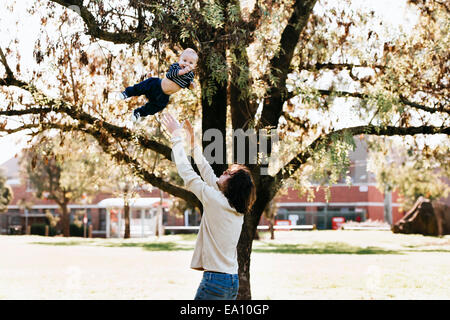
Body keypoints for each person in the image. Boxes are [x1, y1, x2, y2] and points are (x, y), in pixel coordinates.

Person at [160, 113, 256, 300]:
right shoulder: (234, 206)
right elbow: (207, 172)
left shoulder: (216, 200)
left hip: (215, 281)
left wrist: (176, 137)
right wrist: (193, 143)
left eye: (228, 173)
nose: (224, 171)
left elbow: (187, 173)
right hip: (231, 280)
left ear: (232, 186)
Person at [118, 48, 198, 123]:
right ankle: (127, 93)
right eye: (184, 60)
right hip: (156, 85)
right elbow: (170, 75)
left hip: (163, 96)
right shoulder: (176, 66)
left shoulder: (190, 75)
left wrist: (192, 85)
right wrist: (183, 71)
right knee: (140, 88)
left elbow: (188, 85)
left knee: (155, 107)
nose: (187, 64)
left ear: (194, 66)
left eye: (191, 63)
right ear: (179, 59)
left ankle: (139, 112)